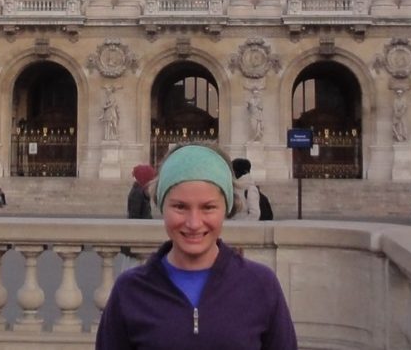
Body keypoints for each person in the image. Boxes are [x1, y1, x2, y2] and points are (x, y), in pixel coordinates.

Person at [96, 143, 298, 349]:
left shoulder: (261, 286)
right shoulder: (129, 290)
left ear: (227, 208)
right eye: (180, 206)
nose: (194, 223)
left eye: (208, 207)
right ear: (161, 206)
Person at [231, 157, 260, 221]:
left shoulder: (250, 189)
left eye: (233, 170)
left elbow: (255, 214)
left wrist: (240, 224)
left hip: (242, 228)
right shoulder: (231, 186)